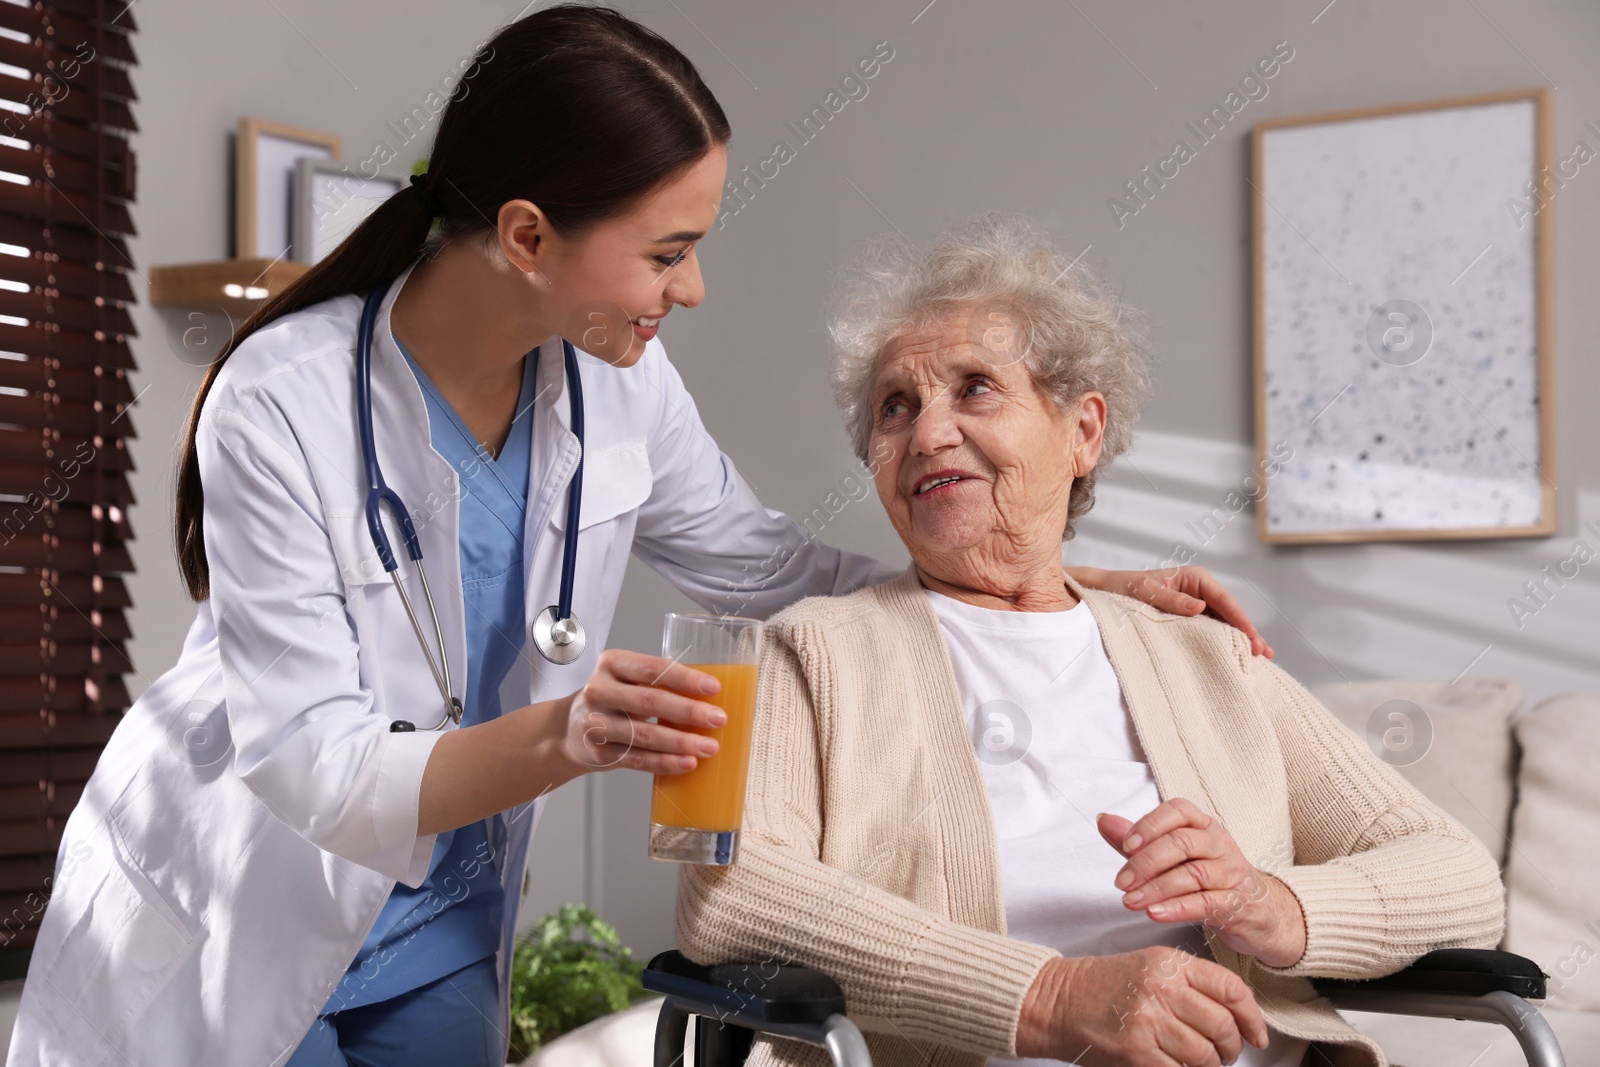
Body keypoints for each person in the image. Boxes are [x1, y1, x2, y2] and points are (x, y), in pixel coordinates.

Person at [5, 12, 1266, 1067]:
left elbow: (770, 568)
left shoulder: (617, 383)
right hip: (243, 897)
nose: (693, 287)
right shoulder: (281, 401)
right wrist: (570, 734)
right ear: (526, 238)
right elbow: (316, 768)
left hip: (441, 929)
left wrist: (1050, 584)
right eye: (668, 251)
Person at [676, 215, 1507, 1067]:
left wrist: (1271, 903)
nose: (927, 434)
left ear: (1082, 431)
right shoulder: (807, 653)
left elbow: (1459, 874)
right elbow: (729, 892)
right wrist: (1048, 996)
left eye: (975, 388)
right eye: (897, 406)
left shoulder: (1202, 655)